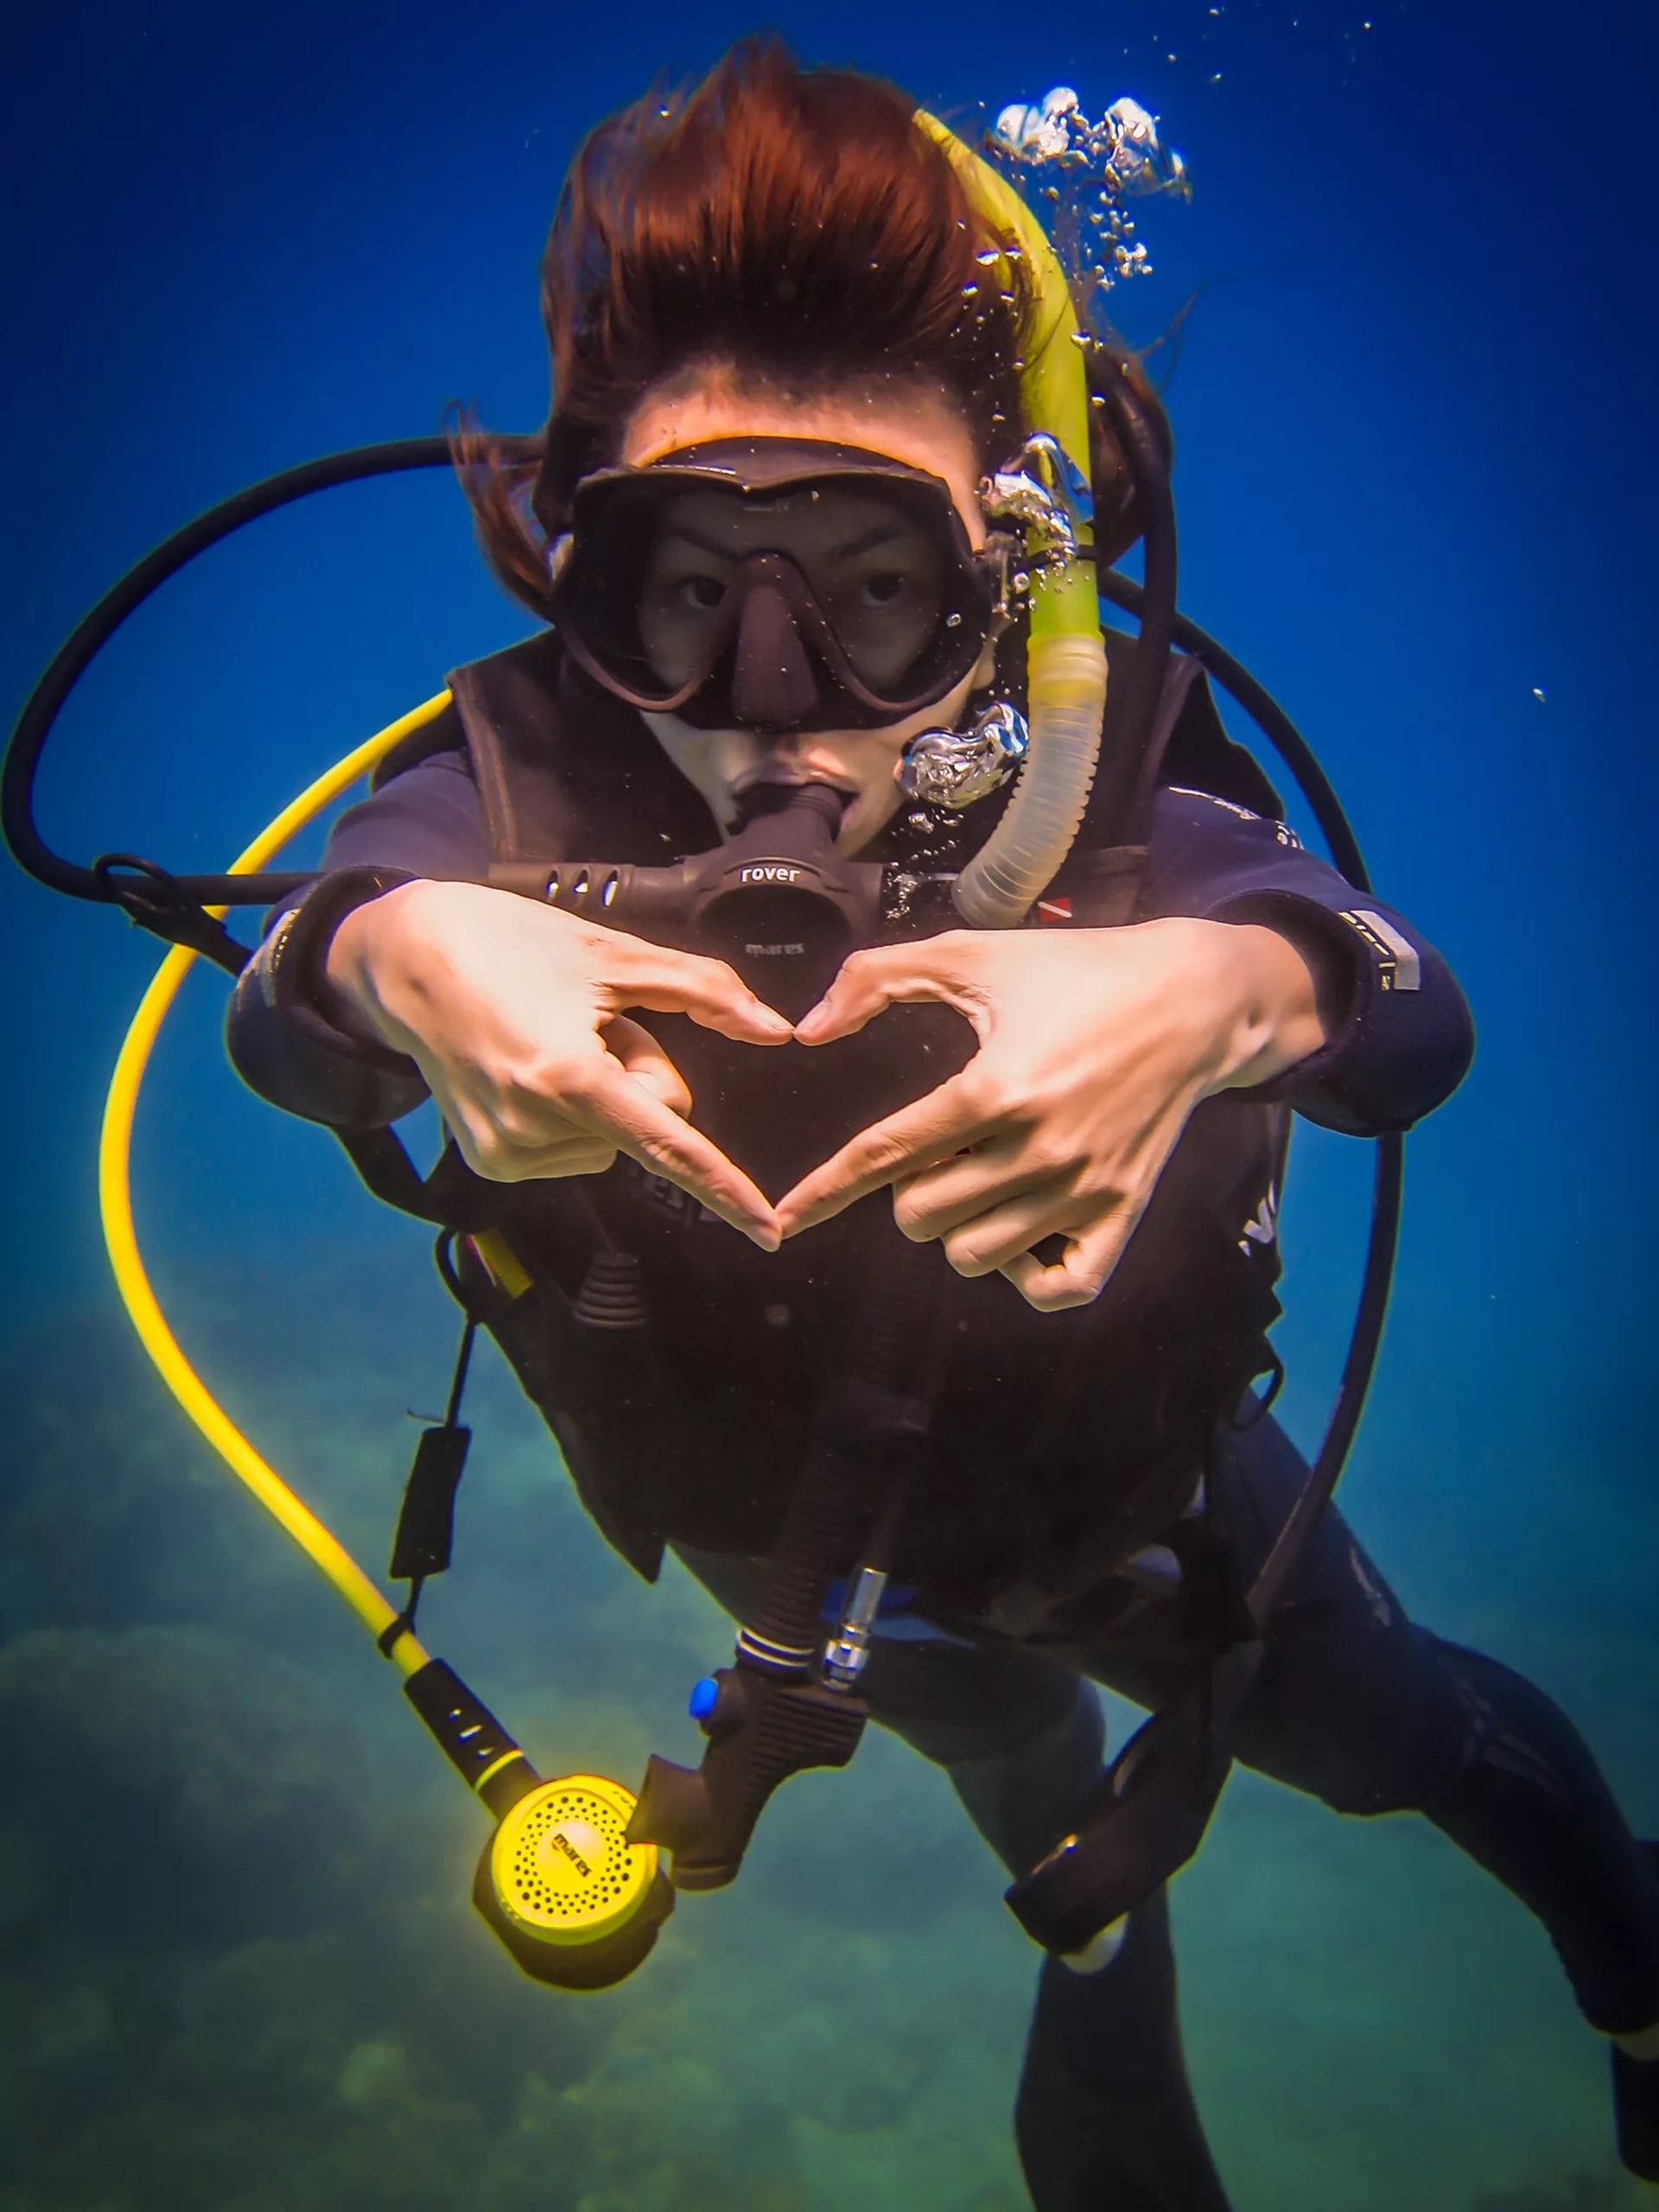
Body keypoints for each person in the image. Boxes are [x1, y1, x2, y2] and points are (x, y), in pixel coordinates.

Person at [225, 41, 1659, 2208]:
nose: (775, 690)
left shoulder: (1098, 806)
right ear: (578, 592)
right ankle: (1102, 1923)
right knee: (1012, 1766)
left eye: (870, 585)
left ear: (1008, 590)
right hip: (794, 1563)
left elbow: (1404, 1011)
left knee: (1396, 1741)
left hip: (1146, 1521)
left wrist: (1231, 981)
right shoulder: (502, 805)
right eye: (687, 590)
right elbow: (297, 988)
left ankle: (1639, 1976)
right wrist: (391, 954)